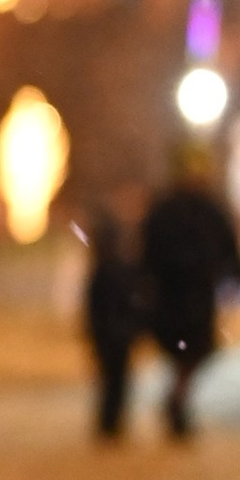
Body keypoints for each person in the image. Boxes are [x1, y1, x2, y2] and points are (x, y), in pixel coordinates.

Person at [140, 152, 240, 440]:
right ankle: (178, 401)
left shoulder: (185, 208)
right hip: (184, 293)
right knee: (188, 350)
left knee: (189, 351)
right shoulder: (195, 209)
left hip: (184, 293)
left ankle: (177, 399)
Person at [81, 185, 146, 443]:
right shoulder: (119, 270)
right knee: (116, 379)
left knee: (112, 379)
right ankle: (111, 423)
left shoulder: (103, 272)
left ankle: (110, 423)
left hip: (110, 331)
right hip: (116, 331)